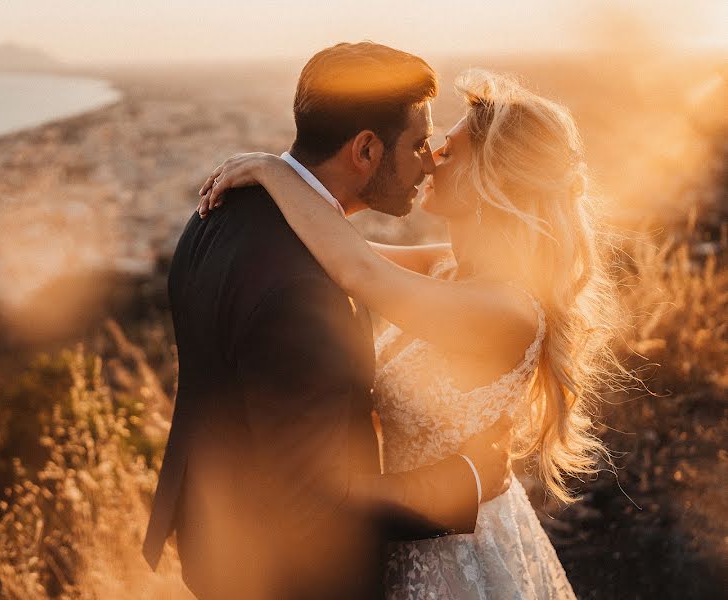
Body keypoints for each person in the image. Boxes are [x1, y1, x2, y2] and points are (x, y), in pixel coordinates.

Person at [197, 67, 620, 598]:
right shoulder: (447, 269)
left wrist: (272, 170)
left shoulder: (505, 310)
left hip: (456, 546)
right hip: (406, 525)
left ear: (490, 183)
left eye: (447, 152)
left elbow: (358, 271)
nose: (428, 161)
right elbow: (331, 253)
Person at [143, 43, 513, 600]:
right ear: (366, 150)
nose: (428, 160)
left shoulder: (219, 215)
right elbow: (317, 501)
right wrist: (471, 481)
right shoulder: (303, 292)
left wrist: (271, 168)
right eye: (416, 144)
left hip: (216, 538)